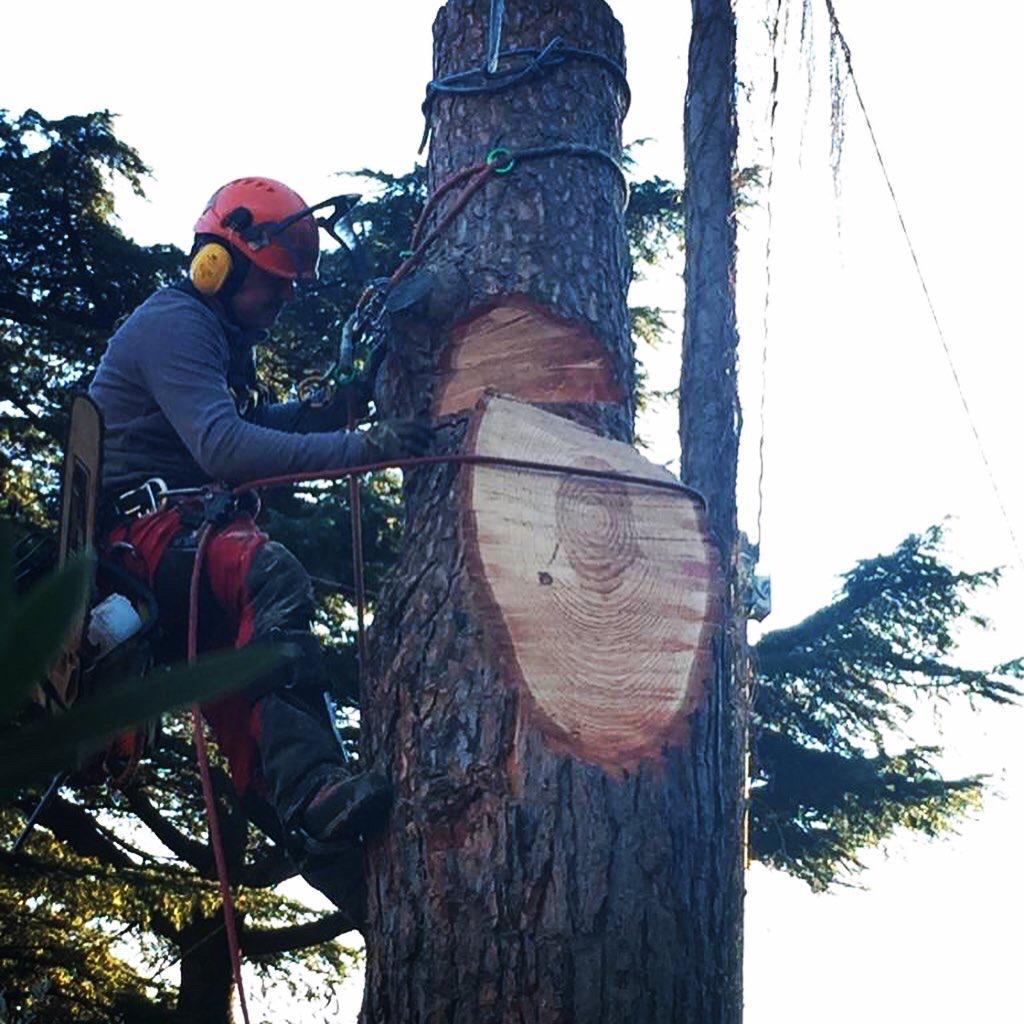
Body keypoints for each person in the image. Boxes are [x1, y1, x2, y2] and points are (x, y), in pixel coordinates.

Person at [89, 177, 429, 918]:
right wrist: (362, 446)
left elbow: (250, 421)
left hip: (175, 547)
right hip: (142, 541)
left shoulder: (219, 341)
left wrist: (324, 411)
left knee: (248, 720)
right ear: (222, 266)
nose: (278, 310)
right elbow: (224, 446)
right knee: (266, 570)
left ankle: (345, 871)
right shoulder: (176, 323)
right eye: (272, 292)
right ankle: (315, 790)